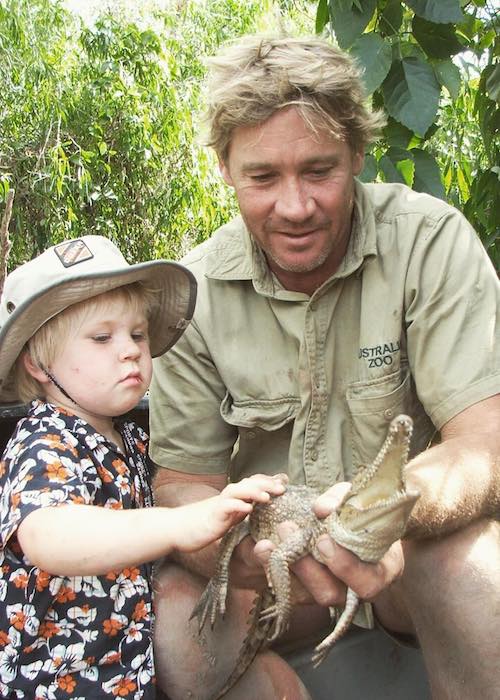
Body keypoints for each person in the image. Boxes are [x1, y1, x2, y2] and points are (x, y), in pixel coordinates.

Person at [149, 35, 500, 700]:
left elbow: (485, 441)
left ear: (358, 154)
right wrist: (248, 546)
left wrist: (392, 509)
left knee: (473, 568)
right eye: (262, 177)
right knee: (170, 617)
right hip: (273, 569)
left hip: (405, 562)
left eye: (319, 170)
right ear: (225, 169)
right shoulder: (192, 293)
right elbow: (180, 486)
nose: (295, 206)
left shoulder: (429, 241)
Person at [0, 234, 288, 699]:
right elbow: (48, 535)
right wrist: (177, 524)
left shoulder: (129, 438)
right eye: (101, 338)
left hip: (125, 672)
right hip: (58, 683)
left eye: (137, 334)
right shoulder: (45, 442)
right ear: (37, 362)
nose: (131, 350)